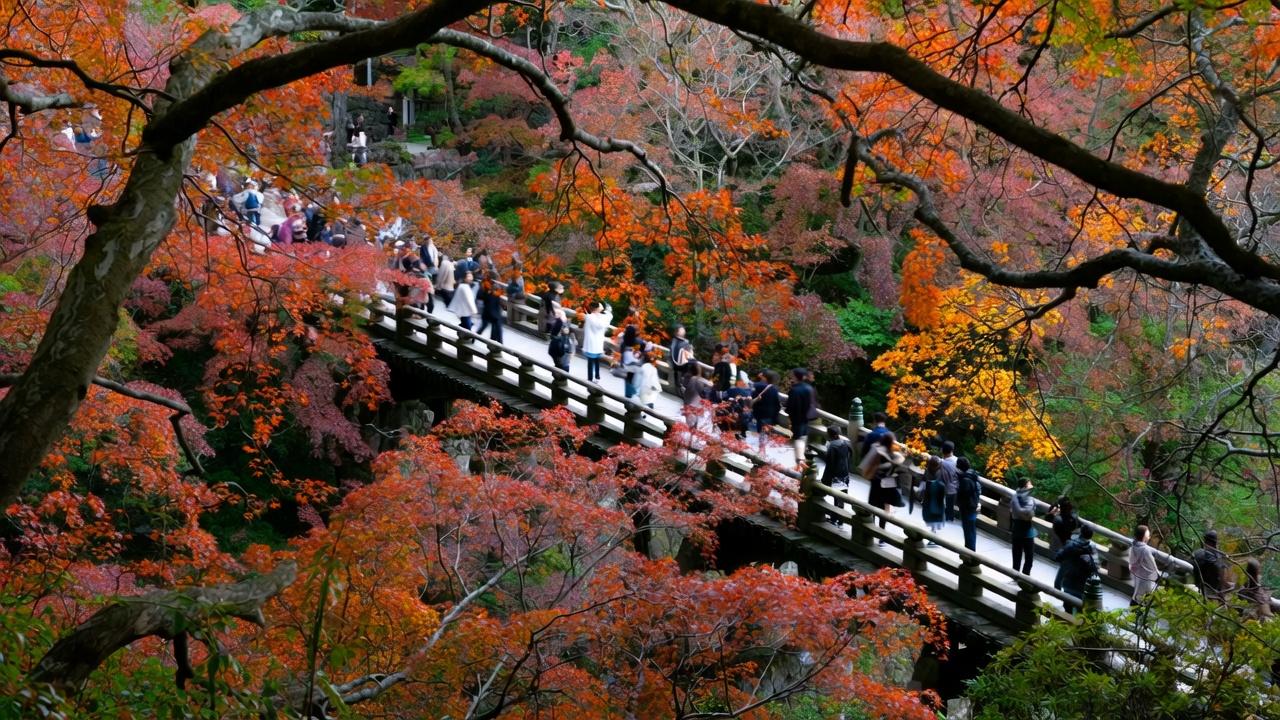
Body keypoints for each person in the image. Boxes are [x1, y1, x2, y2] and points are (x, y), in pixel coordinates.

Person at [861, 432, 906, 545]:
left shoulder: (878, 451)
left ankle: (871, 531)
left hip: (876, 482)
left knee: (874, 506)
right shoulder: (895, 454)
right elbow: (901, 462)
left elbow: (871, 465)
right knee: (883, 509)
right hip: (888, 483)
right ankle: (882, 535)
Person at [1054, 525, 1099, 613]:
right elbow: (1094, 571)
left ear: (1081, 533)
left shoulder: (1070, 545)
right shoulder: (1089, 550)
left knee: (1067, 607)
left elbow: (1058, 557)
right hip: (1081, 586)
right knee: (1080, 609)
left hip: (1068, 582)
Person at [784, 368, 817, 470]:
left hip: (796, 418)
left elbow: (790, 406)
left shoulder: (795, 390)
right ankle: (800, 462)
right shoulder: (809, 388)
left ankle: (799, 461)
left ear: (795, 376)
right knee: (802, 437)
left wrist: (788, 412)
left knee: (797, 439)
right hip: (807, 417)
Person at [822, 426, 854, 526]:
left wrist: (825, 479)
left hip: (835, 475)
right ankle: (839, 519)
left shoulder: (832, 446)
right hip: (845, 474)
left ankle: (835, 518)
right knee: (841, 497)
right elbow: (850, 457)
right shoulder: (846, 444)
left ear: (831, 435)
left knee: (836, 497)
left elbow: (829, 463)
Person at [1010, 476, 1038, 575]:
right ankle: (1015, 575)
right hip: (1019, 527)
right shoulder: (1016, 498)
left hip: (1027, 529)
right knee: (1017, 554)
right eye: (1029, 484)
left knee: (1029, 556)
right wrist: (1030, 512)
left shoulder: (1029, 498)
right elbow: (1022, 512)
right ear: (1024, 487)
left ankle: (1025, 576)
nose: (1032, 486)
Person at [1192, 530, 1231, 600]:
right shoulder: (1216, 556)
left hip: (1197, 587)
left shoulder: (1196, 553)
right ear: (1215, 542)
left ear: (1204, 540)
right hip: (1211, 591)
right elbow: (1220, 572)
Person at [918, 457, 948, 542]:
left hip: (934, 495)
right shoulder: (938, 471)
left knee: (934, 512)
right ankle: (933, 529)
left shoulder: (938, 471)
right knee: (934, 512)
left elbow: (923, 481)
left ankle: (933, 529)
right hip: (933, 495)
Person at [750, 370, 781, 453]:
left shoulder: (756, 385)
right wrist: (775, 419)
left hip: (757, 415)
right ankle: (762, 453)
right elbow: (777, 405)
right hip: (768, 416)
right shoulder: (774, 389)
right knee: (763, 436)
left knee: (756, 434)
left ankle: (757, 453)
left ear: (764, 377)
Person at [582, 301, 613, 383]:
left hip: (595, 344)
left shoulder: (595, 316)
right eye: (600, 306)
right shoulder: (590, 317)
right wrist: (607, 311)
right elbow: (602, 324)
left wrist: (606, 311)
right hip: (592, 344)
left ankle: (596, 377)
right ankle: (591, 378)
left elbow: (606, 318)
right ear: (596, 308)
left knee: (595, 361)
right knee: (592, 362)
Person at [955, 456, 981, 552]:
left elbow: (963, 495)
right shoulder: (973, 475)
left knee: (968, 530)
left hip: (967, 508)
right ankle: (970, 551)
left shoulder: (965, 480)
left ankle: (969, 553)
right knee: (971, 530)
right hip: (973, 506)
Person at [1128, 524, 1159, 605]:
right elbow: (1153, 565)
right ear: (1144, 537)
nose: (1149, 537)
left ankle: (1132, 613)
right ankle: (1135, 614)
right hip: (1145, 577)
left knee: (1136, 595)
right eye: (1148, 535)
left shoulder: (1133, 545)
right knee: (1141, 599)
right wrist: (1158, 575)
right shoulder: (1145, 550)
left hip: (1136, 573)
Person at [476, 277, 504, 341]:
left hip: (488, 314)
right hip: (491, 315)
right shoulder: (492, 296)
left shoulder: (489, 295)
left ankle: (475, 337)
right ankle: (497, 342)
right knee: (496, 329)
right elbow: (492, 306)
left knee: (485, 327)